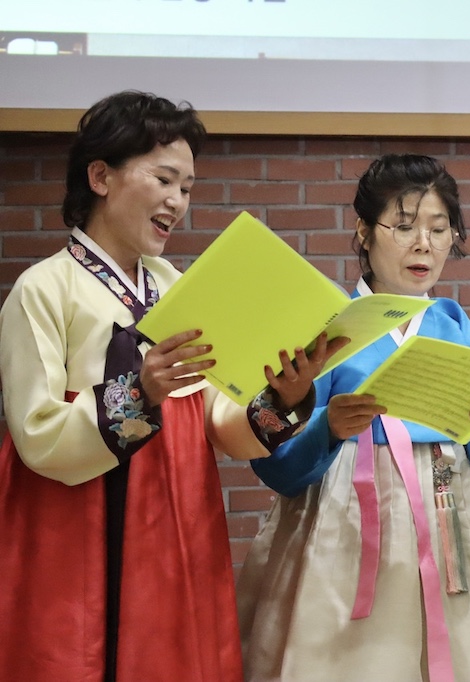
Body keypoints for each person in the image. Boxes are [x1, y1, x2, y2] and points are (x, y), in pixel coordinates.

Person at [0, 90, 338, 682]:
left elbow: (218, 421)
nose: (177, 201)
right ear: (100, 177)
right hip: (79, 522)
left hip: (180, 508)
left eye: (187, 187)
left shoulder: (175, 286)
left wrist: (283, 398)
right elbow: (38, 435)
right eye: (163, 179)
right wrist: (140, 393)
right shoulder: (44, 289)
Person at [236, 153, 470, 682]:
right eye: (405, 226)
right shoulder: (325, 333)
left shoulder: (467, 336)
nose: (424, 245)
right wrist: (328, 428)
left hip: (455, 520)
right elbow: (280, 470)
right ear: (363, 231)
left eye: (440, 228)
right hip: (343, 528)